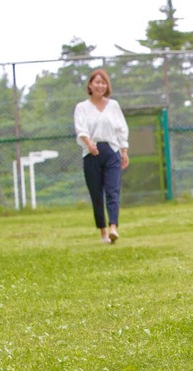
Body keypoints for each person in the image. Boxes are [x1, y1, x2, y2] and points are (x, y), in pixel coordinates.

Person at [74, 69, 130, 243]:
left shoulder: (113, 105)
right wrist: (89, 143)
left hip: (111, 152)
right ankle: (103, 232)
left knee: (113, 191)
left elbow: (121, 129)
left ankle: (114, 227)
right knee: (96, 194)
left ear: (107, 86)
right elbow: (80, 129)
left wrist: (124, 150)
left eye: (103, 82)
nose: (100, 85)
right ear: (90, 85)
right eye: (97, 82)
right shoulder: (82, 107)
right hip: (91, 153)